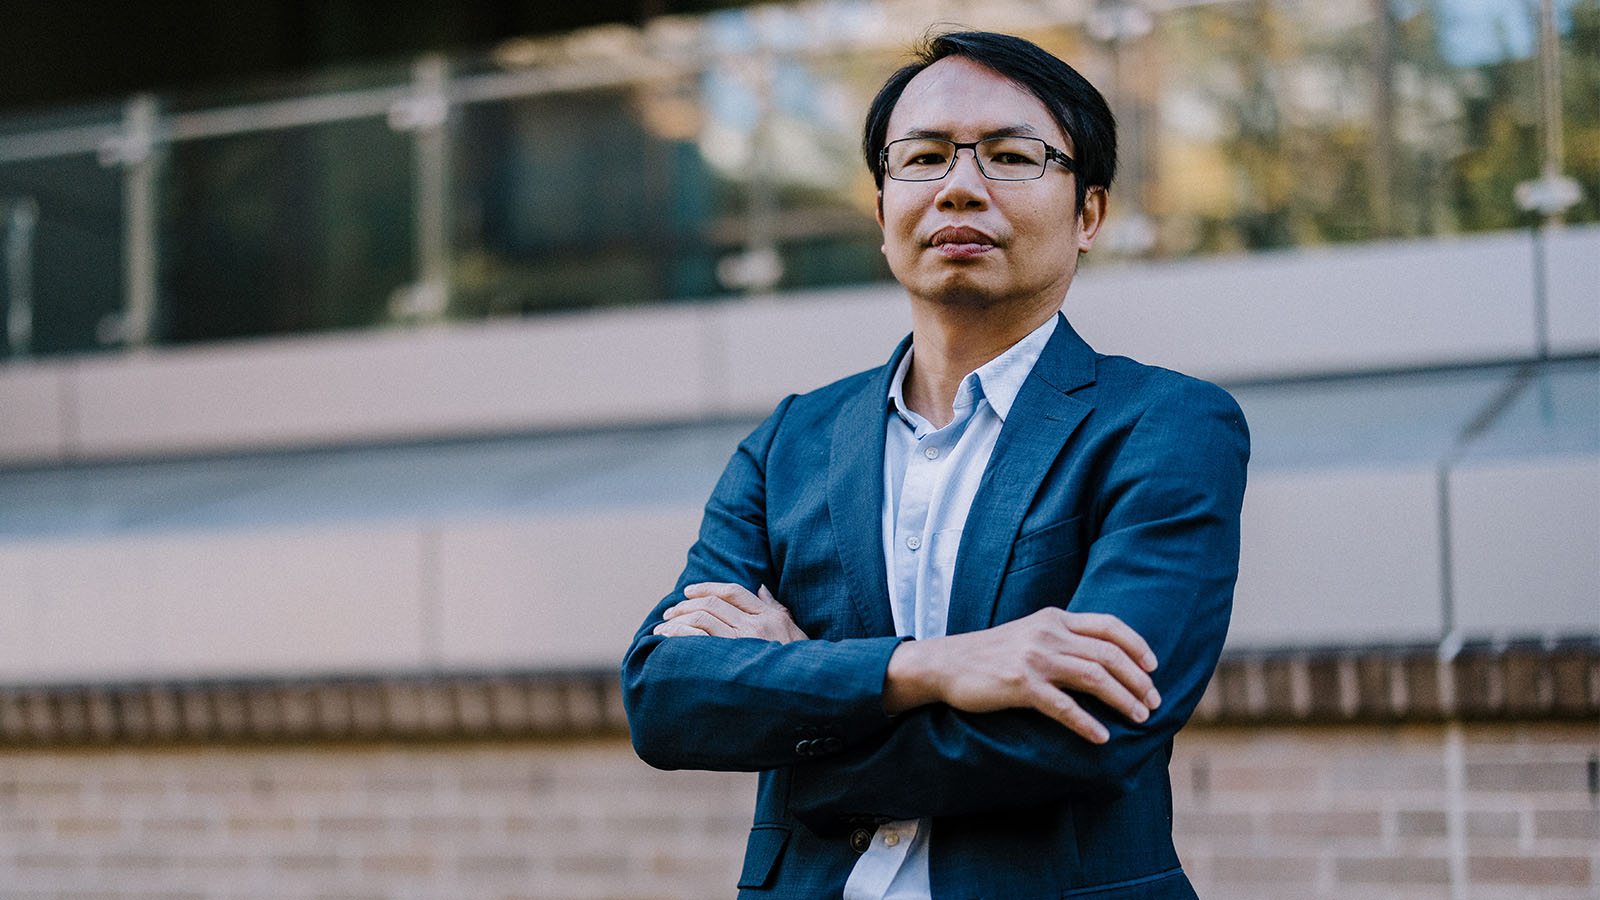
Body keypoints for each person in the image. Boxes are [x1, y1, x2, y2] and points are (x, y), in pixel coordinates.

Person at [622, 30, 1248, 900]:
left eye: (1009, 156)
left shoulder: (1164, 425)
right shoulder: (790, 443)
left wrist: (804, 717)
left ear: (1089, 215)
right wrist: (927, 667)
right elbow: (666, 696)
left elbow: (1093, 725)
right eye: (921, 158)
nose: (959, 187)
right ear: (882, 214)